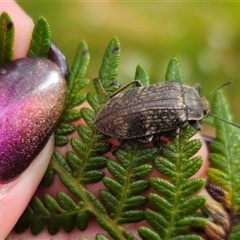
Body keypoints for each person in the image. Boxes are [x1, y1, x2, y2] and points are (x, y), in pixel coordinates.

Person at [1, 1, 209, 239]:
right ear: (193, 116)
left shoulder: (174, 88)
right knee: (150, 134)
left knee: (141, 95)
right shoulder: (180, 117)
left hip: (120, 108)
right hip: (119, 120)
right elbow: (156, 133)